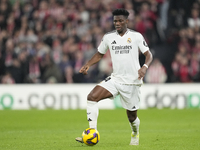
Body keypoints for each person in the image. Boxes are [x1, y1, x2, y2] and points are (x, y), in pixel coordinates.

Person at [75, 8, 153, 145]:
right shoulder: (108, 37)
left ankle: (135, 133)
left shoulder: (136, 36)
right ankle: (92, 132)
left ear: (127, 21)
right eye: (115, 21)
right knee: (92, 97)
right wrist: (88, 64)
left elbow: (149, 55)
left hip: (132, 82)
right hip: (115, 79)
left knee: (132, 117)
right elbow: (99, 54)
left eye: (120, 21)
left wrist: (144, 67)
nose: (117, 23)